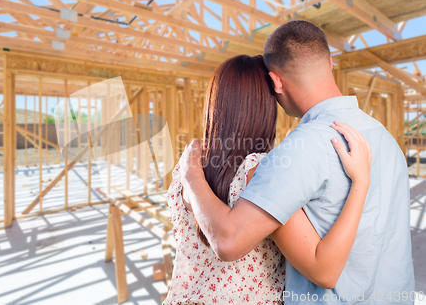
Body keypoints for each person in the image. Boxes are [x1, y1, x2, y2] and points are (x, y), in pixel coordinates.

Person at [178, 21, 415, 304]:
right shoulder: (383, 137)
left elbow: (228, 242)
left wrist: (191, 176)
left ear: (276, 81)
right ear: (329, 62)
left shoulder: (298, 150)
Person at [164, 54, 372, 304]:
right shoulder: (260, 171)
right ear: (265, 107)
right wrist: (361, 182)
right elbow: (323, 271)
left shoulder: (189, 162)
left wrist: (191, 176)